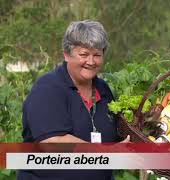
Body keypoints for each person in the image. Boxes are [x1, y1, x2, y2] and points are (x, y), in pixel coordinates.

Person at [18, 20, 129, 180]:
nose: (91, 62)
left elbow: (117, 136)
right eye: (84, 54)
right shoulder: (48, 89)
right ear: (66, 54)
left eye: (97, 55)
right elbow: (53, 142)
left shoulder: (103, 89)